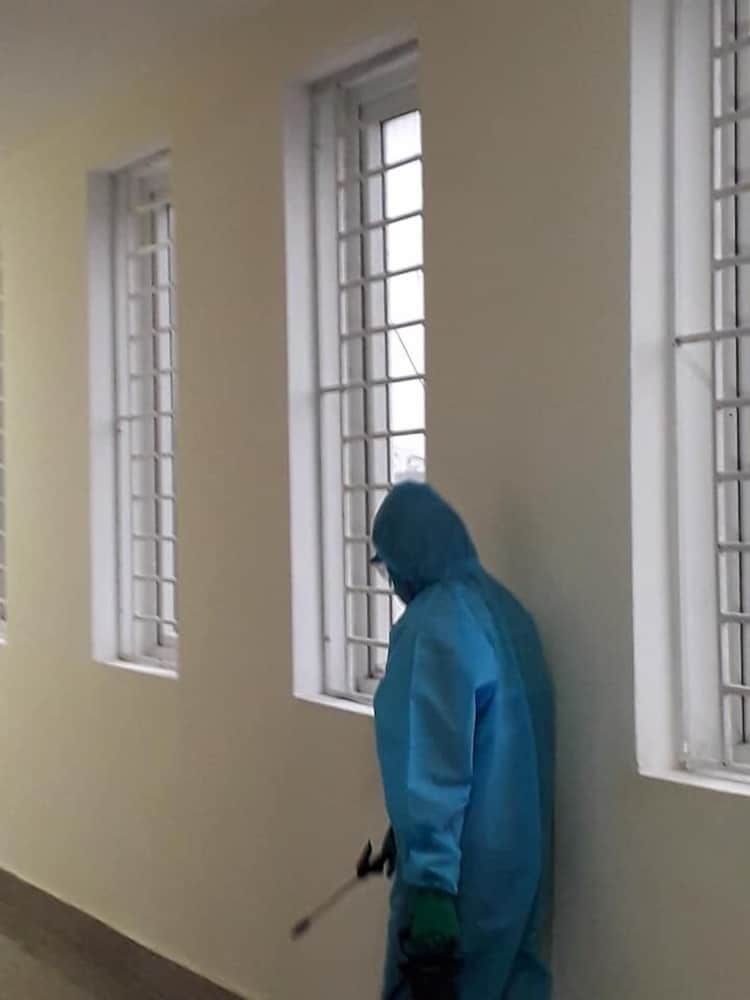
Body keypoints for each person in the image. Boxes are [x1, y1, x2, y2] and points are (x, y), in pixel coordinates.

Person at [371, 482, 554, 1000]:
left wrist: (429, 868)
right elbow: (496, 746)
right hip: (517, 868)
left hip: (456, 880)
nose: (394, 582)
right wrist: (405, 831)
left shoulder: (433, 626)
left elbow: (428, 761)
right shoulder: (508, 613)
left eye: (389, 567)